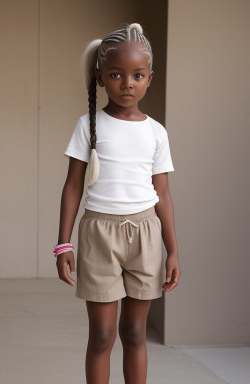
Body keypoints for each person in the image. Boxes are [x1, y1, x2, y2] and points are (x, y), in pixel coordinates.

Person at [55, 22, 181, 384]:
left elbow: (164, 195)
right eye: (116, 74)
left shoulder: (157, 133)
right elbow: (72, 186)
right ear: (99, 77)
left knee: (136, 334)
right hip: (100, 236)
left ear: (149, 78)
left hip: (145, 235)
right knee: (103, 336)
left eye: (137, 75)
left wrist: (172, 250)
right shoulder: (87, 126)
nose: (128, 83)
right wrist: (63, 243)